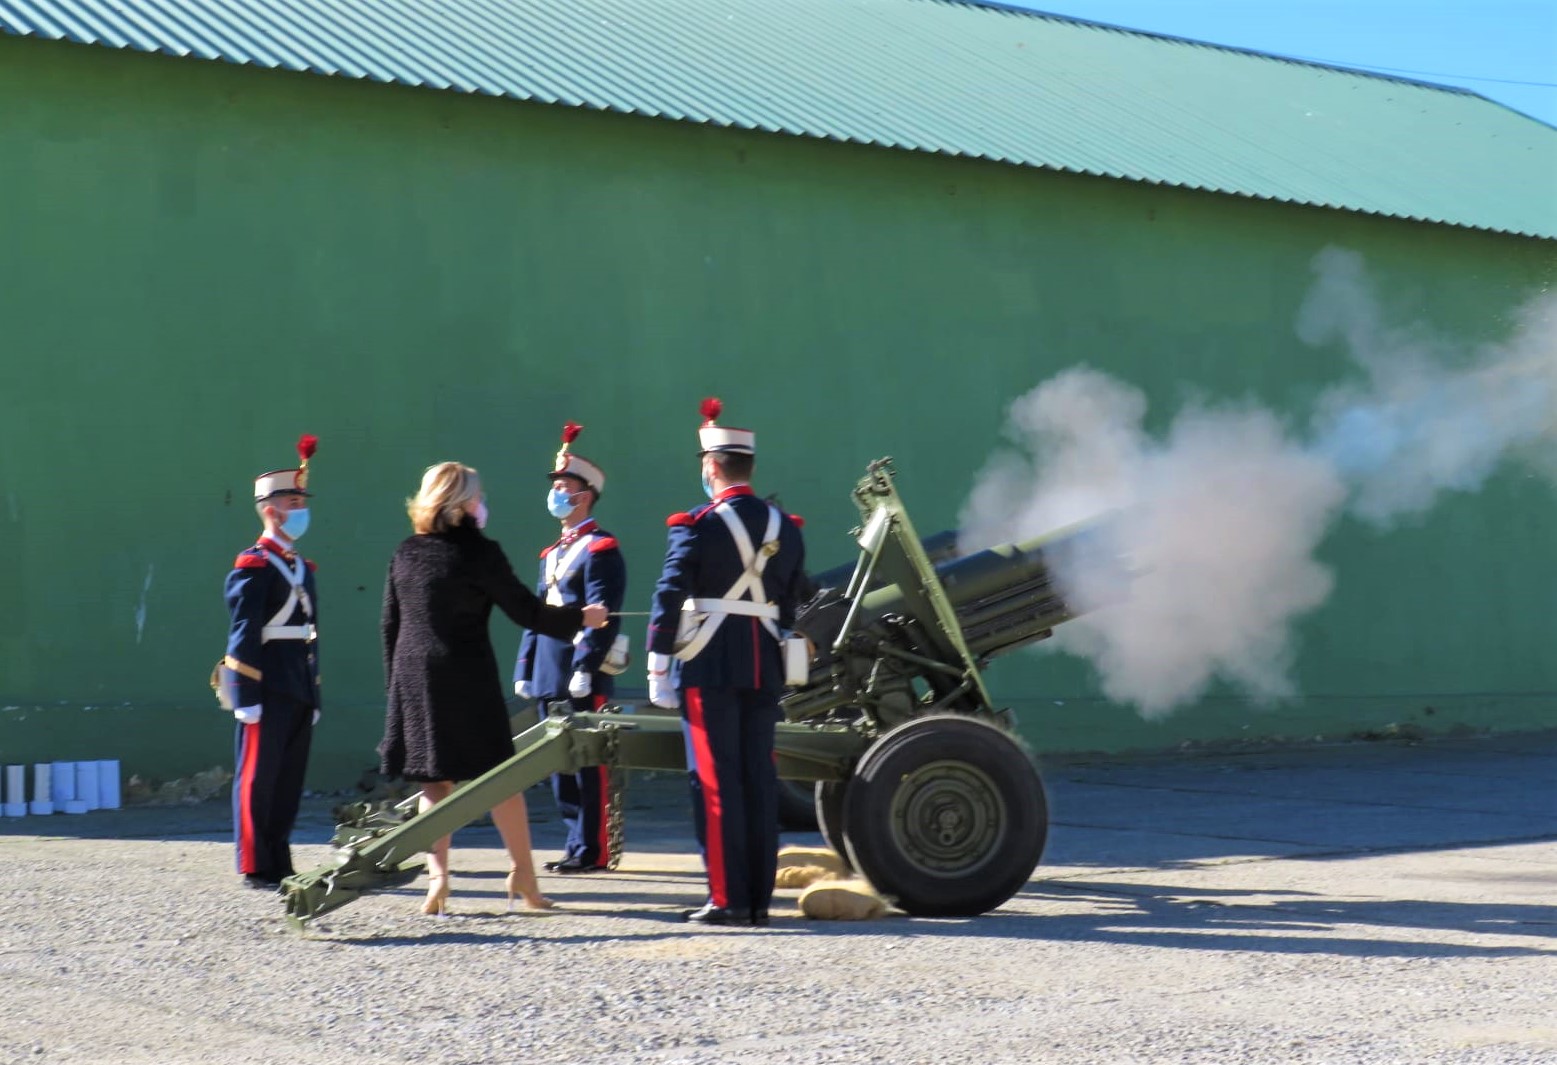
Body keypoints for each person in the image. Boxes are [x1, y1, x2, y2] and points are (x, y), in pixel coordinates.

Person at [378, 461, 609, 916]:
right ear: (463, 503)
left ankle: (438, 877)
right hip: (465, 673)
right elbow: (528, 612)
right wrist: (583, 617)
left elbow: (390, 623)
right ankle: (523, 875)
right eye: (478, 497)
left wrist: (397, 687)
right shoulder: (479, 553)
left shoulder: (406, 552)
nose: (482, 506)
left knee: (434, 780)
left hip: (413, 674)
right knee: (499, 779)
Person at [646, 398, 807, 926]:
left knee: (716, 783)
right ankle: (759, 899)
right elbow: (792, 603)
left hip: (709, 666)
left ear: (711, 466)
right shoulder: (786, 526)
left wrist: (657, 663)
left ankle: (727, 898)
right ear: (748, 467)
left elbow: (669, 592)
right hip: (764, 663)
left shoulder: (693, 525)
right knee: (759, 782)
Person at [514, 423, 627, 874]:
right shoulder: (550, 554)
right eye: (556, 487)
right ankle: (573, 843)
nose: (557, 494)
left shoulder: (602, 548)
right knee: (558, 765)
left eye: (565, 487)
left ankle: (593, 849)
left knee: (588, 766)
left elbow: (604, 610)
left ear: (586, 496)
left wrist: (587, 664)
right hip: (547, 665)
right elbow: (538, 611)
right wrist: (526, 665)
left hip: (580, 667)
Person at [219, 433, 322, 891]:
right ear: (270, 509)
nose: (300, 507)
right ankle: (254, 863)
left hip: (297, 682)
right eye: (292, 499)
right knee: (257, 779)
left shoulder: (303, 567)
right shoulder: (253, 564)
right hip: (265, 685)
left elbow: (309, 635)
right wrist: (244, 694)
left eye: (302, 498)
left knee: (287, 780)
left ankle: (279, 858)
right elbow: (243, 632)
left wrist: (314, 691)